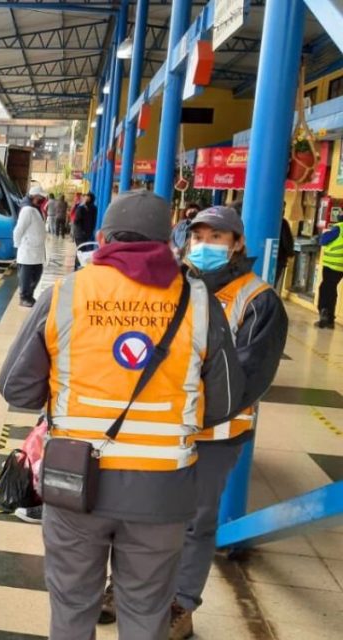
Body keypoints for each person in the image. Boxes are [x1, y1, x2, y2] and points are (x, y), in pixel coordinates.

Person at [0, 190, 245, 640]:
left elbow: (15, 386)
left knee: (73, 608)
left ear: (103, 237)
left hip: (75, 484)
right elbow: (227, 402)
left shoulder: (66, 294)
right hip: (163, 491)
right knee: (147, 612)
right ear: (169, 241)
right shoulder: (199, 302)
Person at [168, 206, 287, 638]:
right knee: (141, 515)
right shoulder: (171, 284)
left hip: (217, 436)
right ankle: (126, 588)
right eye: (198, 236)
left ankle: (180, 604)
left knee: (197, 522)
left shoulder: (258, 300)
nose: (205, 245)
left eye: (217, 237)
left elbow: (248, 377)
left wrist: (188, 408)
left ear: (237, 244)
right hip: (160, 428)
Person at [13, 185, 48, 307]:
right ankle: (24, 297)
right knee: (26, 277)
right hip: (27, 249)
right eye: (41, 197)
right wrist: (18, 246)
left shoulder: (36, 209)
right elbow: (18, 230)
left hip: (37, 249)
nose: (42, 199)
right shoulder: (27, 210)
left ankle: (30, 295)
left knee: (37, 273)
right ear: (34, 197)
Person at [316, 210, 343, 328]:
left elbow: (323, 240)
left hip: (332, 265)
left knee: (325, 290)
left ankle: (324, 317)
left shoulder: (338, 228)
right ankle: (330, 319)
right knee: (332, 289)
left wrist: (321, 236)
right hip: (340, 267)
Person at [71, 192, 97, 268]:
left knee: (85, 250)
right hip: (80, 234)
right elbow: (76, 220)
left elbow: (93, 221)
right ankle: (77, 266)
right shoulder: (81, 208)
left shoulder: (94, 208)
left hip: (87, 233)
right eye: (86, 196)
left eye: (88, 197)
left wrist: (90, 231)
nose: (86, 198)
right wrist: (82, 231)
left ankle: (81, 266)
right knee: (81, 250)